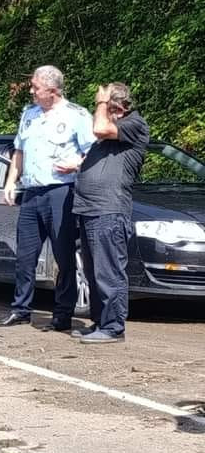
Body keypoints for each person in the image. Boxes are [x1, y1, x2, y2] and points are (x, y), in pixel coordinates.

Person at [0, 65, 95, 330]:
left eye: (36, 87)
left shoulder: (77, 115)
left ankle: (62, 314)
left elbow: (93, 152)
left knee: (63, 256)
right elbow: (19, 151)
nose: (31, 91)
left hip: (60, 191)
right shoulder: (29, 114)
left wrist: (76, 164)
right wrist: (10, 181)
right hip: (32, 192)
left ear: (52, 90)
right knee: (25, 256)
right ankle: (21, 309)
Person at [71, 83, 149, 344]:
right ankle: (100, 322)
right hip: (90, 209)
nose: (104, 112)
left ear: (121, 107)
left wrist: (102, 102)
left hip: (109, 210)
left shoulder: (134, 124)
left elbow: (100, 128)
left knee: (109, 271)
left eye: (109, 107)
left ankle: (114, 327)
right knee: (94, 272)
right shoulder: (108, 138)